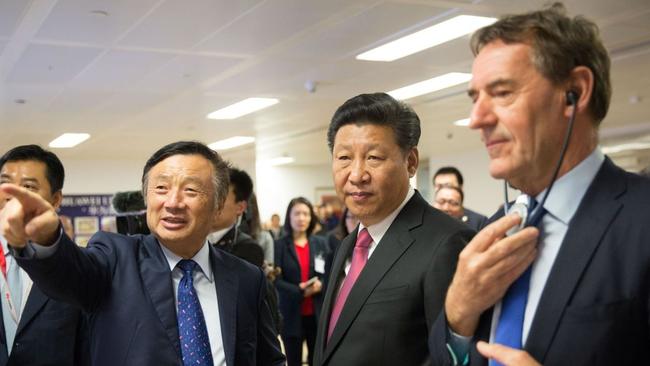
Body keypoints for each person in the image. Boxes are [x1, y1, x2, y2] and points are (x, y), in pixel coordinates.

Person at [429, 4, 650, 365]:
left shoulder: (641, 219)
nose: (476, 119)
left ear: (574, 92)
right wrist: (458, 312)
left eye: (501, 93)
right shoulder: (498, 226)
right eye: (475, 98)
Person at [0, 141, 284, 366]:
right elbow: (69, 272)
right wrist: (47, 238)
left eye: (191, 190)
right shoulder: (115, 258)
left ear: (219, 203)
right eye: (160, 188)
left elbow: (268, 358)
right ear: (147, 197)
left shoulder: (247, 278)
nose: (173, 202)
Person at [313, 93, 473, 366]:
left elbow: (449, 357)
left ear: (410, 162)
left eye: (373, 157)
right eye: (344, 158)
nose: (356, 174)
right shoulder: (348, 244)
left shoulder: (447, 243)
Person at [0, 145, 89, 366]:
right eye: (4, 184)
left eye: (28, 186)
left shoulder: (79, 271)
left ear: (55, 200)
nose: (12, 194)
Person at [274, 197, 329, 366]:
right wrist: (299, 290)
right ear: (289, 217)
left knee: (317, 361)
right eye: (297, 214)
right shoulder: (279, 245)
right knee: (293, 361)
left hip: (316, 314)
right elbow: (275, 280)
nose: (301, 218)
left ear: (311, 217)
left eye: (306, 214)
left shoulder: (321, 243)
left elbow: (329, 273)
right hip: (291, 314)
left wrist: (321, 284)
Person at [208, 167, 260, 254]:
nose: (212, 203)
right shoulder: (191, 240)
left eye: (220, 197)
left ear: (240, 207)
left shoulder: (248, 249)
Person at [433, 166, 488, 230]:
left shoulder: (479, 222)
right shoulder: (425, 219)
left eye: (448, 185)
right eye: (439, 186)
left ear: (460, 188)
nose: (444, 189)